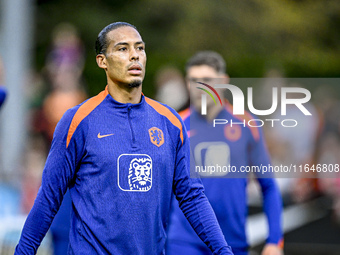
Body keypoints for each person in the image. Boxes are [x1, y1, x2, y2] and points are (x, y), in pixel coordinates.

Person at [15, 22, 234, 255]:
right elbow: (49, 197)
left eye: (140, 48)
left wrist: (223, 250)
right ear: (102, 61)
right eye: (123, 49)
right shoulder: (78, 121)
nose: (134, 56)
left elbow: (191, 196)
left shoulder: (170, 123)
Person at [166, 51, 283, 255]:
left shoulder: (247, 124)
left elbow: (269, 185)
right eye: (194, 80)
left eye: (207, 80)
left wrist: (274, 241)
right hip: (184, 242)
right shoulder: (175, 125)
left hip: (233, 241)